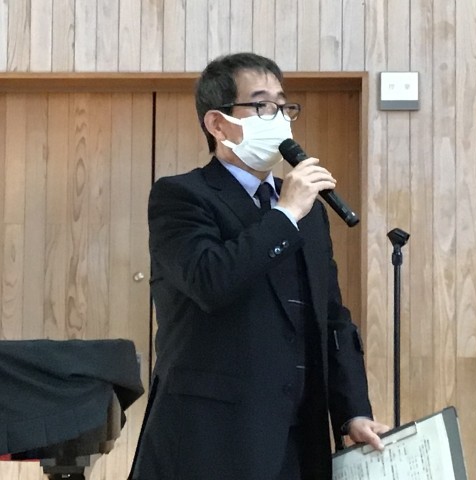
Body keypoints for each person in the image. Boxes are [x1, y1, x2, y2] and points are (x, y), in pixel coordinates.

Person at [129, 52, 389, 480]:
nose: (279, 118)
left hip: (297, 435)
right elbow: (210, 280)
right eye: (262, 105)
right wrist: (285, 215)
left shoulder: (308, 210)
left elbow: (330, 318)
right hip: (210, 438)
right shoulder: (182, 196)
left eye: (284, 106)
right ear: (218, 124)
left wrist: (352, 412)